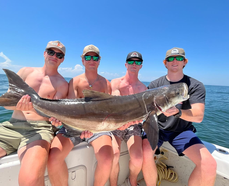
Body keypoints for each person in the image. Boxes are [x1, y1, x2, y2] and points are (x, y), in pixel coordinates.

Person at [0, 40, 68, 186]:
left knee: (30, 181)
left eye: (59, 54)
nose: (54, 56)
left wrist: (56, 119)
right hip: (11, 126)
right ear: (45, 53)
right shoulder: (26, 71)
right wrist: (19, 107)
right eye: (51, 52)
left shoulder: (62, 84)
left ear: (62, 59)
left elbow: (53, 114)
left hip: (40, 130)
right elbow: (7, 105)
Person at [142, 47, 217, 186]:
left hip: (181, 131)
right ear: (165, 63)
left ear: (185, 62)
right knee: (145, 153)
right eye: (170, 58)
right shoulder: (154, 85)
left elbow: (199, 116)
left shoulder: (195, 86)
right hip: (156, 128)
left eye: (179, 58)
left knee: (209, 165)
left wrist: (178, 112)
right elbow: (146, 111)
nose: (174, 61)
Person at [47, 44, 113, 186]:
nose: (91, 60)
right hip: (74, 126)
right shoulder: (75, 81)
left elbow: (109, 112)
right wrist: (78, 127)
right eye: (87, 57)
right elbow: (71, 110)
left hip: (98, 128)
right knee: (53, 157)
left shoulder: (106, 83)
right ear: (82, 60)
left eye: (95, 57)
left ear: (99, 61)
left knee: (107, 158)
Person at [109, 51, 148, 186]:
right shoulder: (115, 82)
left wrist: (133, 121)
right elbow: (116, 101)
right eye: (131, 61)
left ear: (141, 66)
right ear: (126, 64)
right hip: (116, 123)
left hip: (134, 125)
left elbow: (142, 114)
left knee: (137, 159)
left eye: (137, 62)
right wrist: (121, 122)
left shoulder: (143, 88)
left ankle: (132, 181)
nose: (134, 64)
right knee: (113, 155)